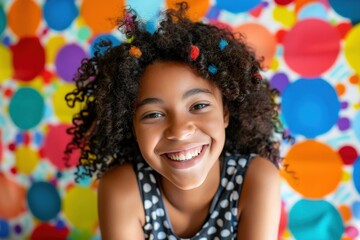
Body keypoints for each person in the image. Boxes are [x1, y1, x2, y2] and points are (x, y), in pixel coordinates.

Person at [64, 2, 285, 239]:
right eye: (153, 114)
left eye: (199, 106)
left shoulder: (256, 180)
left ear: (225, 114)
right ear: (132, 127)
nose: (179, 131)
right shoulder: (122, 190)